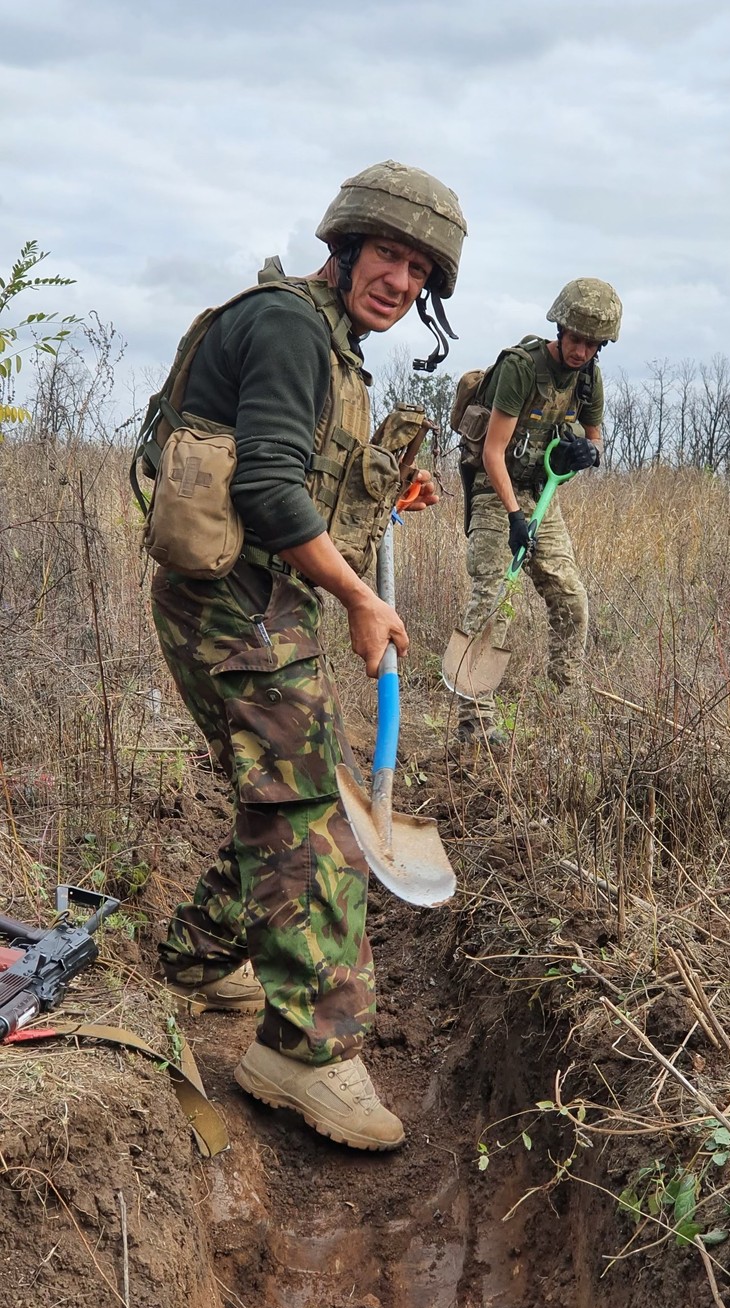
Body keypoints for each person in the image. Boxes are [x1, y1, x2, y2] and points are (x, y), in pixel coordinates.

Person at [149, 161, 466, 1151]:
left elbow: (299, 474)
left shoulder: (337, 345)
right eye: (388, 254)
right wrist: (362, 595)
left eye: (418, 269)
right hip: (231, 602)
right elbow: (269, 492)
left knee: (277, 791)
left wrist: (383, 502)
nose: (400, 279)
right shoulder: (292, 326)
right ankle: (304, 1051)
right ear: (347, 246)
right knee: (305, 813)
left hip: (258, 598)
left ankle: (201, 956)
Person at [452, 278, 622, 747]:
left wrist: (584, 456)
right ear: (561, 328)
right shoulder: (522, 368)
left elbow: (595, 441)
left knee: (571, 597)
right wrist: (512, 518)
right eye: (576, 339)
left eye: (593, 344)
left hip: (544, 492)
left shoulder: (589, 377)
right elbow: (493, 452)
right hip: (495, 490)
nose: (581, 351)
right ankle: (475, 720)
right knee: (493, 597)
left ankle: (564, 705)